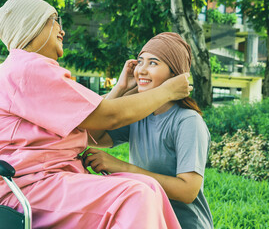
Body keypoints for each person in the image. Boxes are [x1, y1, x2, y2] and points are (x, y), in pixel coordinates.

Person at [0, 0, 192, 229]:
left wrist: (121, 88)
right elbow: (108, 117)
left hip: (36, 180)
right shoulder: (26, 69)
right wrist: (167, 92)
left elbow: (88, 121)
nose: (62, 30)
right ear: (31, 24)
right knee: (133, 195)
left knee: (148, 186)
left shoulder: (30, 70)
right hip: (9, 188)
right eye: (54, 20)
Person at [83, 32, 214, 229]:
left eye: (153, 63)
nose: (142, 70)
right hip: (148, 221)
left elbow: (188, 190)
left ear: (174, 74)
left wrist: (121, 167)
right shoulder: (139, 114)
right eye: (140, 62)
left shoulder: (188, 121)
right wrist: (120, 87)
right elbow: (93, 135)